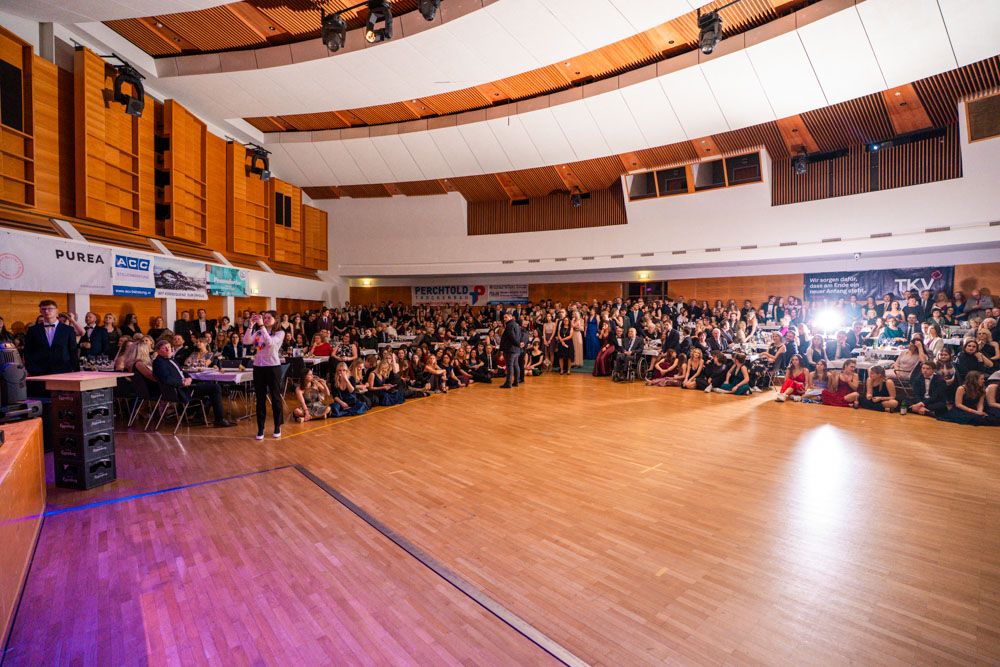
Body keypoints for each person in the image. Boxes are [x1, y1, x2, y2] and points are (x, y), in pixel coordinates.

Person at [151, 339, 234, 428]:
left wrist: (189, 378)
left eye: (168, 347)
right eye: (164, 348)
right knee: (215, 388)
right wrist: (182, 382)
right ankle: (218, 420)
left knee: (210, 386)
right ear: (158, 350)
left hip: (185, 386)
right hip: (180, 390)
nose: (168, 349)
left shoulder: (170, 360)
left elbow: (182, 371)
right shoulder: (159, 362)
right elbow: (166, 379)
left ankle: (200, 417)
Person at [243, 311, 286, 440]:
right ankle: (260, 428)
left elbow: (271, 344)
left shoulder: (280, 333)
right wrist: (250, 326)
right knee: (260, 398)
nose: (265, 319)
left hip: (273, 367)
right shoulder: (259, 332)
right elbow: (246, 341)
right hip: (258, 367)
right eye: (264, 318)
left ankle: (277, 426)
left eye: (268, 318)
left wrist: (261, 326)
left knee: (275, 397)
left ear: (275, 319)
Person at [23, 299, 79, 378]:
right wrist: (30, 368)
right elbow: (28, 351)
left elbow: (73, 351)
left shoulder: (68, 330)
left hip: (63, 370)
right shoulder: (33, 330)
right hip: (39, 371)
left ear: (56, 311)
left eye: (50, 309)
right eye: (43, 309)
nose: (46, 311)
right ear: (40, 312)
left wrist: (75, 370)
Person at [499, 312, 522, 388]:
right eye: (504, 317)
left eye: (506, 317)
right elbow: (519, 336)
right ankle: (516, 382)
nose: (504, 319)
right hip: (516, 349)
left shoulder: (509, 325)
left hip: (510, 349)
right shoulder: (516, 324)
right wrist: (518, 345)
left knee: (510, 366)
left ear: (510, 317)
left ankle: (508, 383)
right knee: (516, 366)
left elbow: (511, 337)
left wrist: (517, 344)